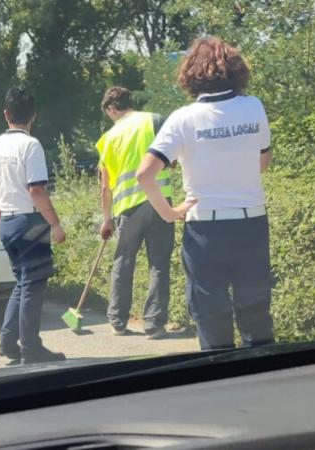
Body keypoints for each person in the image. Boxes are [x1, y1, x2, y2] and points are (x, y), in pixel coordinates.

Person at [136, 36, 274, 350]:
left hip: (204, 229)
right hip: (251, 223)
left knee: (211, 315)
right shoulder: (254, 107)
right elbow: (262, 163)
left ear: (190, 74)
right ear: (236, 70)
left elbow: (145, 174)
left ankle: (220, 383)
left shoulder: (182, 119)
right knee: (256, 313)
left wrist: (170, 213)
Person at [0, 86, 67, 365]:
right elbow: (37, 190)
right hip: (30, 220)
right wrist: (55, 224)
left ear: (5, 114)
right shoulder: (30, 145)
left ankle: (8, 341)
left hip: (7, 220)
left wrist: (0, 219)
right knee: (33, 285)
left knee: (22, 282)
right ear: (34, 115)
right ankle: (30, 347)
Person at [96, 87, 174, 339]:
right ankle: (153, 324)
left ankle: (118, 321)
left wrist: (107, 219)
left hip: (128, 209)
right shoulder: (155, 120)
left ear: (111, 108)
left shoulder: (108, 138)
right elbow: (172, 160)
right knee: (159, 264)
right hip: (160, 202)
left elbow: (105, 186)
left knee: (123, 262)